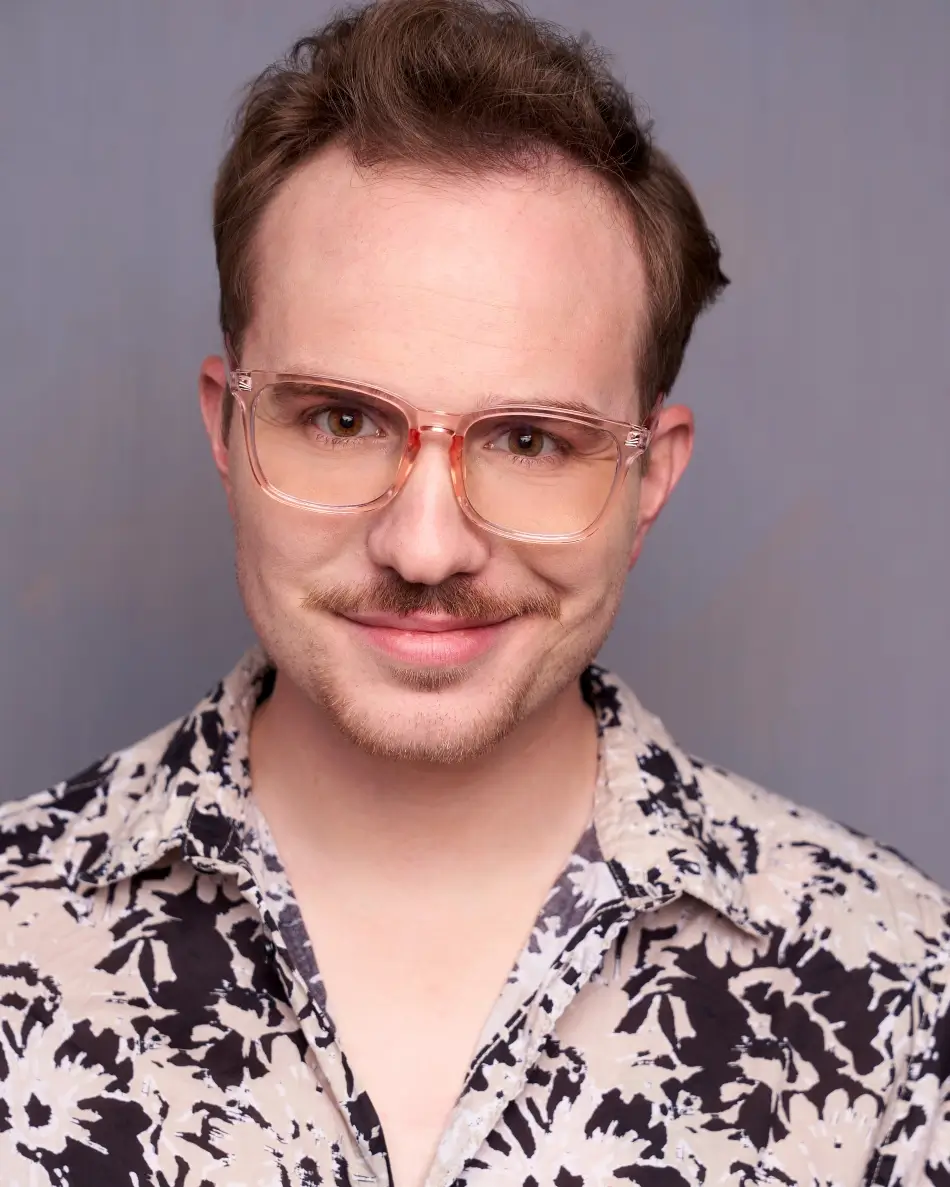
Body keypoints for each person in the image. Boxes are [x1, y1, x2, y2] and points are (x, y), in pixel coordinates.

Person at [2, 1, 948, 1184]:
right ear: (225, 425)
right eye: (340, 420)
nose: (426, 545)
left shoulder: (901, 993)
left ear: (648, 477)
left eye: (529, 439)